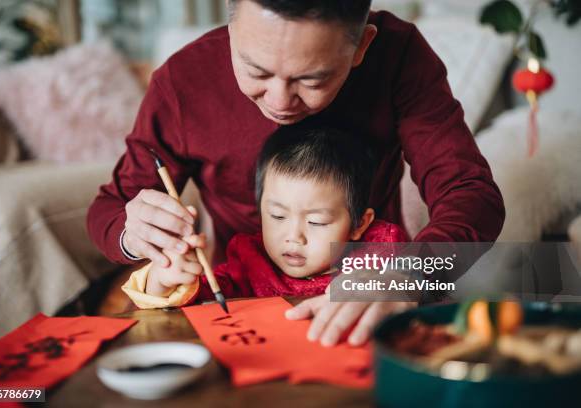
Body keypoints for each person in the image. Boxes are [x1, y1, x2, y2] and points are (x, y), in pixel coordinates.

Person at [87, 0, 505, 347]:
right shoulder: (183, 81)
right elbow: (109, 209)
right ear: (232, 30)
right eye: (256, 71)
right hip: (240, 301)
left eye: (311, 78)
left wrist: (406, 275)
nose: (280, 101)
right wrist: (134, 230)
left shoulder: (397, 55)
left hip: (372, 289)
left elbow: (469, 191)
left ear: (361, 47)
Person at [122, 125, 410, 345]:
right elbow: (198, 300)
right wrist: (165, 279)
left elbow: (441, 275)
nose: (294, 237)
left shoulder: (381, 250)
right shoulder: (249, 261)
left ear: (360, 223)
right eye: (278, 216)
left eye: (317, 221)